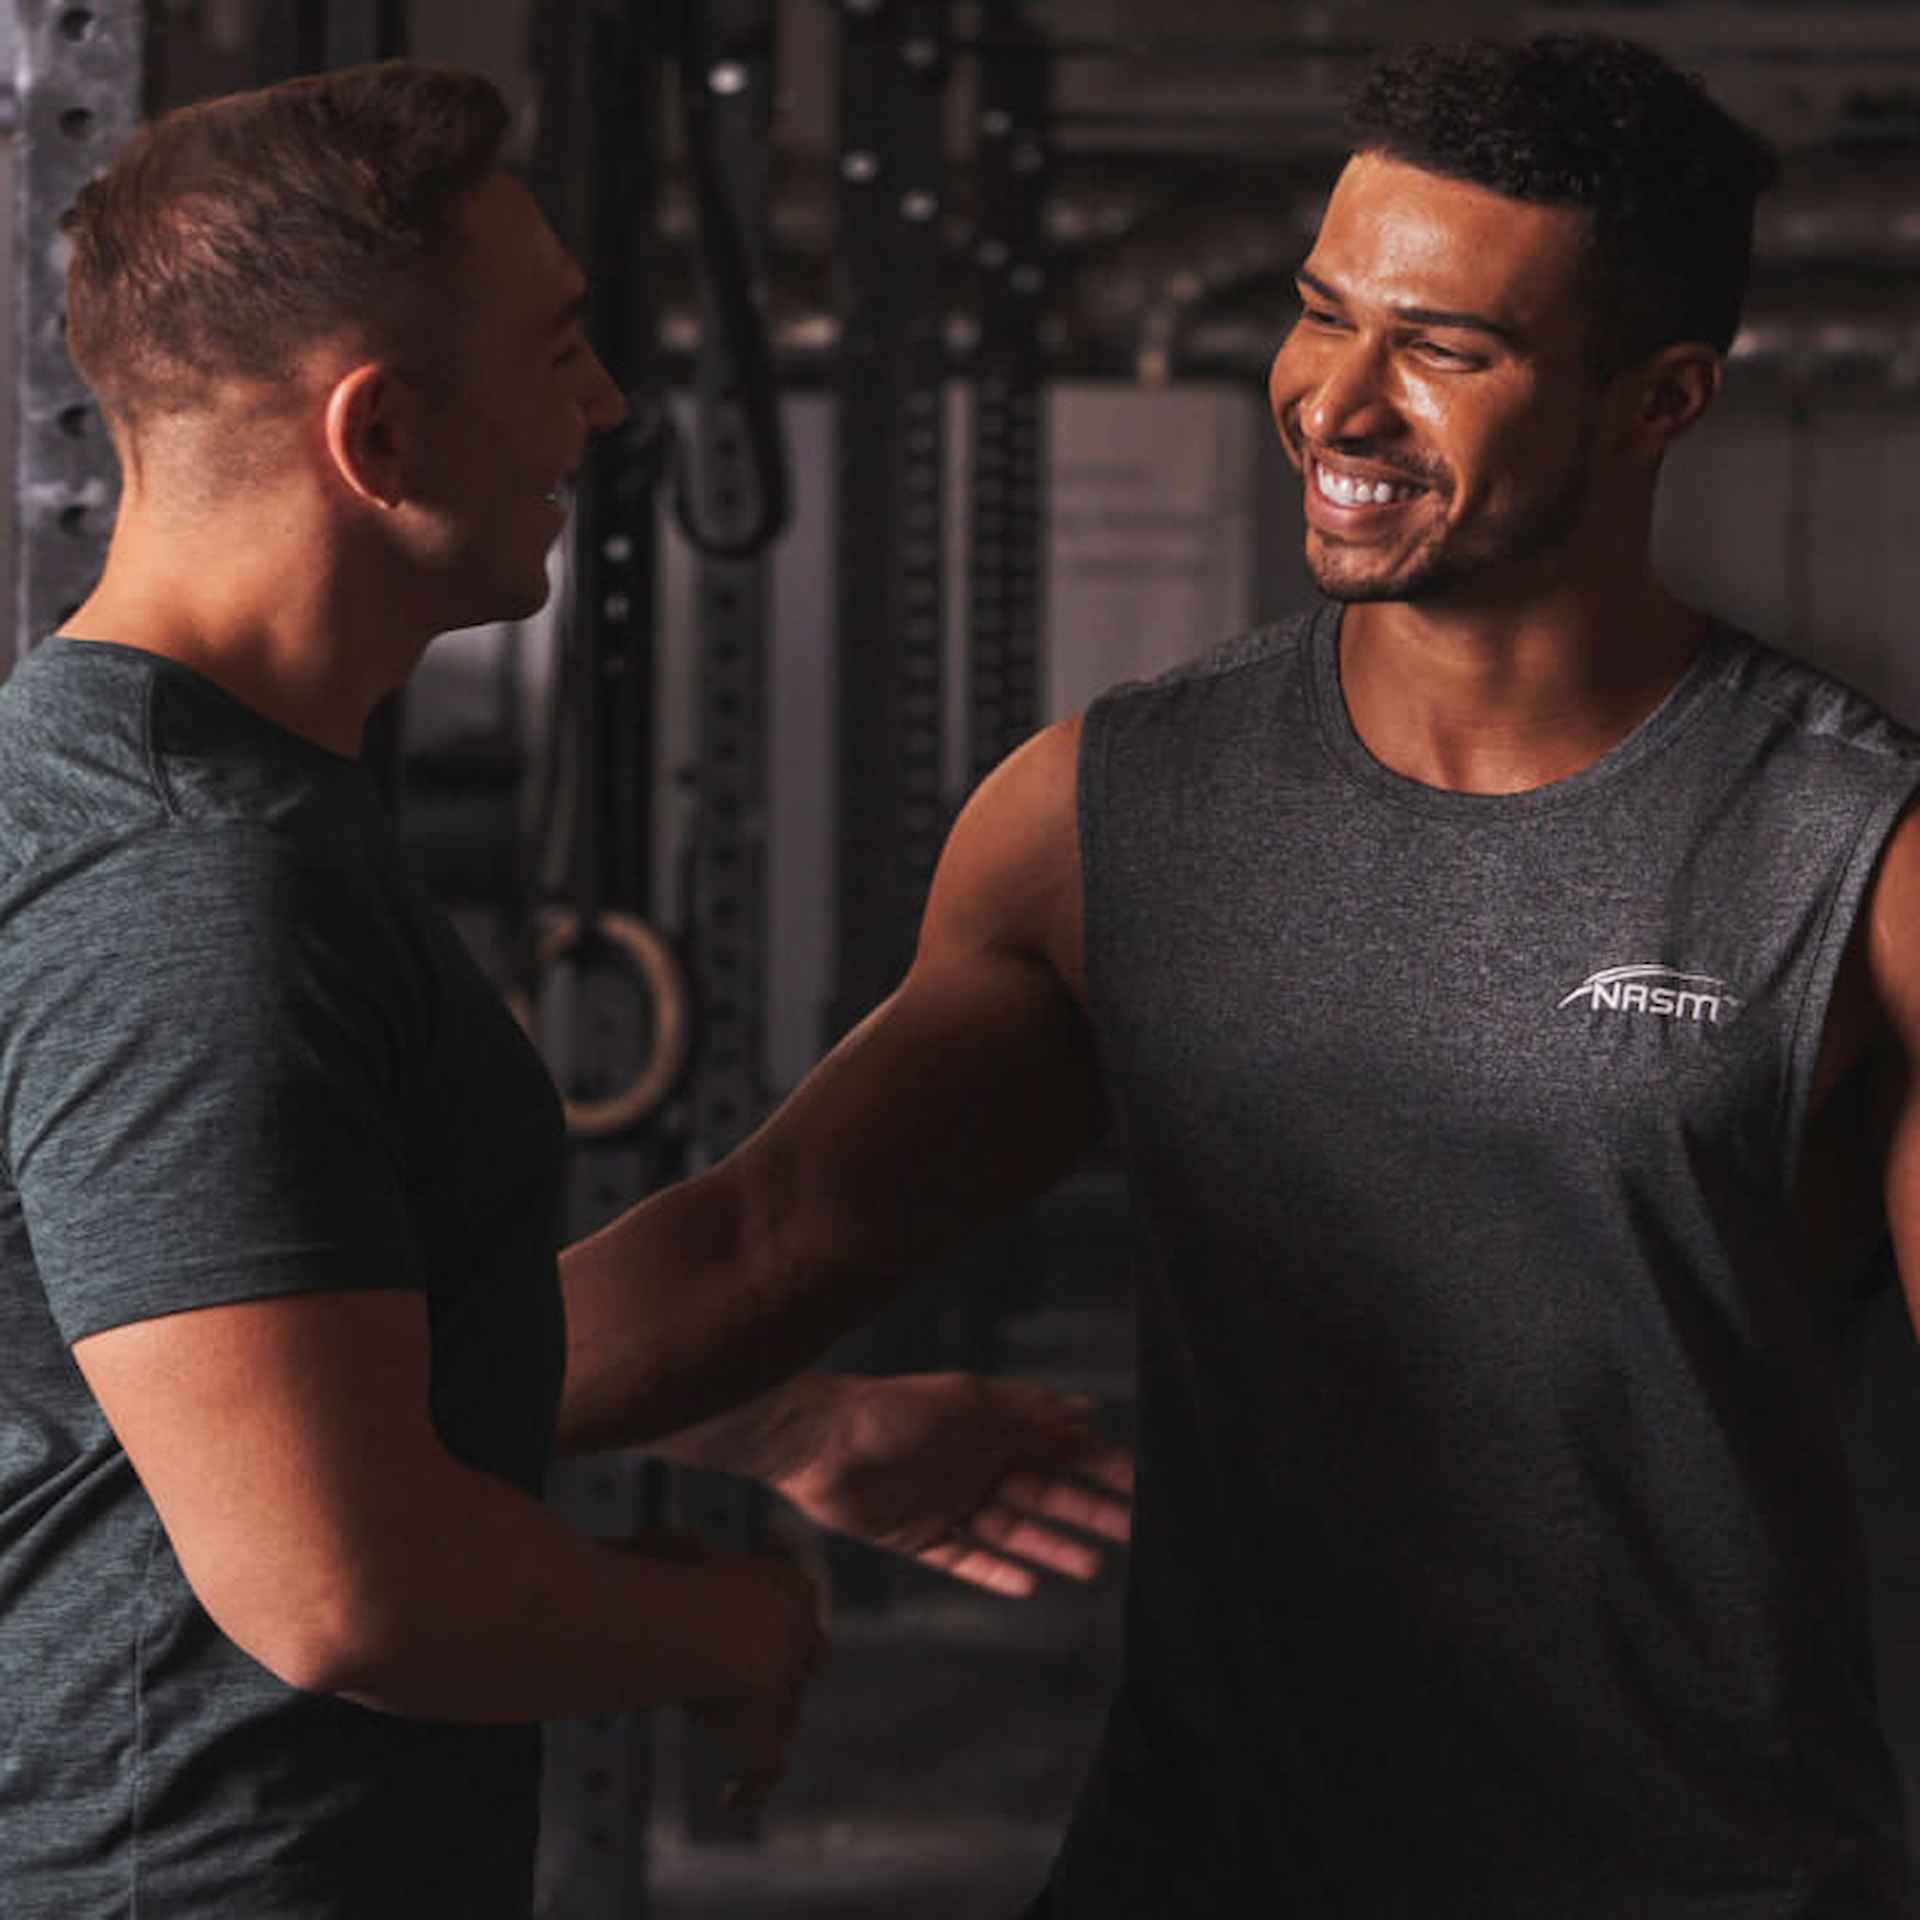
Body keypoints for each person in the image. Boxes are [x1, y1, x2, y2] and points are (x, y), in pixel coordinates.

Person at [551, 30, 1920, 1920]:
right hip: (1205, 1863)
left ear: (1658, 399)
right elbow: (763, 1240)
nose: (1336, 403)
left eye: (1445, 349)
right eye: (1319, 313)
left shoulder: (1858, 855)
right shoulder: (1110, 809)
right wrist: (320, 1397)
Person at [0, 64, 1132, 1919]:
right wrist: (719, 1627)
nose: (603, 408)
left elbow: (258, 1337)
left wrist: (786, 1425)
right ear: (378, 438)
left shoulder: (156, 787)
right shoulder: (189, 883)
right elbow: (339, 1587)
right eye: (557, 352)